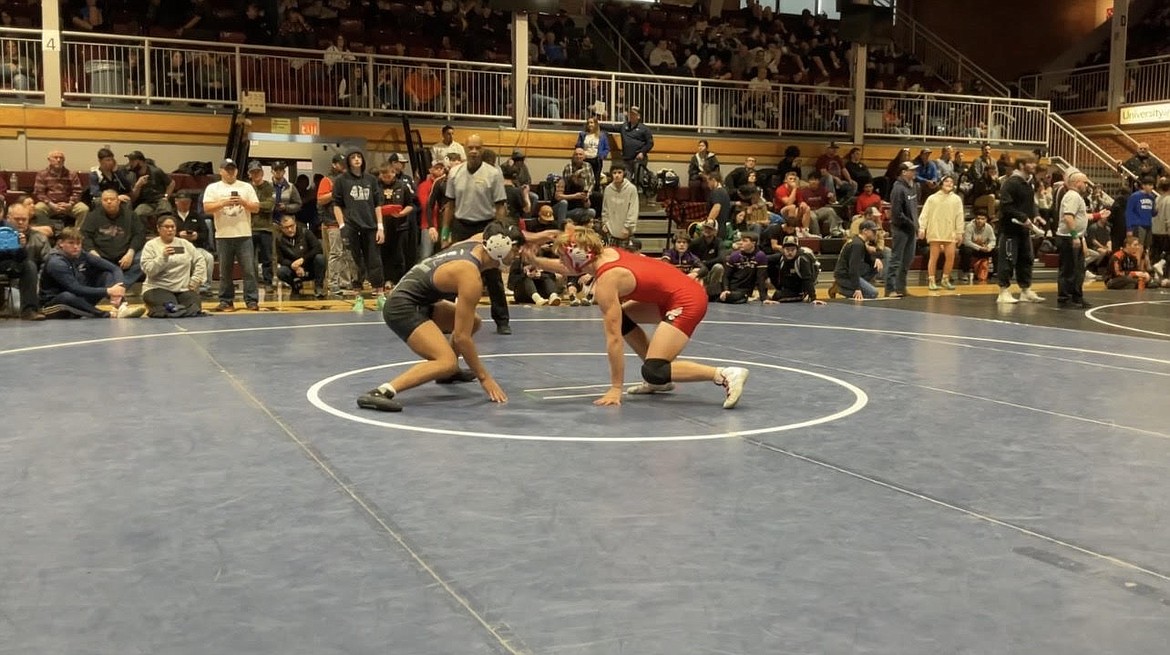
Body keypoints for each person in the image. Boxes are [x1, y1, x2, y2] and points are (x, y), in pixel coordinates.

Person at [528, 226, 750, 409]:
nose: (560, 263)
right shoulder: (604, 253)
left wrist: (616, 387)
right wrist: (536, 260)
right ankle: (659, 384)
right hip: (671, 294)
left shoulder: (607, 281)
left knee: (655, 369)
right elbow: (571, 266)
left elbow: (614, 339)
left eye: (561, 257)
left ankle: (724, 374)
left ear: (577, 256)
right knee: (624, 319)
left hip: (686, 300)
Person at [356, 222, 525, 412]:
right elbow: (461, 338)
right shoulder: (470, 277)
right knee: (447, 361)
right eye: (515, 250)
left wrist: (543, 237)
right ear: (500, 248)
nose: (517, 255)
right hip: (402, 307)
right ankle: (381, 391)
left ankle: (447, 374)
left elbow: (490, 231)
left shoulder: (476, 244)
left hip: (418, 299)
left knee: (474, 322)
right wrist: (485, 378)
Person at [441, 134, 510, 334]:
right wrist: (445, 232)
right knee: (453, 273)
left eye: (477, 148)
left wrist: (499, 232)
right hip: (461, 226)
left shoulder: (493, 173)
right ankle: (443, 316)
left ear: (482, 150)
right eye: (470, 147)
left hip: (486, 227)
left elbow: (500, 206)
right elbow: (450, 205)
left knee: (492, 275)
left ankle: (502, 320)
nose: (473, 151)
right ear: (465, 148)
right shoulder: (454, 173)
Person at [39, 227, 146, 319]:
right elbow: (74, 288)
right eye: (71, 243)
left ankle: (122, 306)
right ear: (61, 243)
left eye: (78, 243)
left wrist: (119, 288)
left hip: (79, 300)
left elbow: (114, 268)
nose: (76, 247)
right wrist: (108, 291)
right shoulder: (56, 262)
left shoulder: (81, 254)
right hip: (54, 305)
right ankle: (105, 314)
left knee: (105, 274)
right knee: (67, 296)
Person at [203, 158, 261, 311]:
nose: (230, 172)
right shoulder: (213, 188)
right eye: (227, 169)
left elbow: (256, 208)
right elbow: (207, 208)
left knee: (249, 270)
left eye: (232, 169)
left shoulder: (246, 187)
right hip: (223, 235)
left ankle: (252, 300)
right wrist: (223, 203)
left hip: (244, 234)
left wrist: (242, 202)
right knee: (225, 271)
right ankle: (226, 301)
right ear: (221, 171)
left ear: (236, 171)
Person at [996, 155, 1045, 304]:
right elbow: (1006, 206)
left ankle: (1025, 290)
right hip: (1010, 229)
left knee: (1026, 259)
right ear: (1021, 165)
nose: (1034, 166)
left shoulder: (1029, 183)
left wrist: (1035, 215)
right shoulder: (1011, 183)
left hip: (1024, 229)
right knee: (1008, 259)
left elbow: (1031, 204)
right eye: (1030, 163)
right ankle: (1003, 292)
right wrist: (1023, 217)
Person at [1055, 172, 1106, 309]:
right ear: (1077, 182)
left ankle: (1077, 297)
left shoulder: (1076, 197)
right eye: (1085, 182)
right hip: (1068, 238)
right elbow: (1068, 217)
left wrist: (1098, 215)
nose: (1086, 185)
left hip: (1075, 237)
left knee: (1078, 270)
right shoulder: (1072, 196)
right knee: (1069, 270)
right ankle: (1065, 298)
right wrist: (1074, 235)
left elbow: (1081, 216)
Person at [140, 215, 207, 317]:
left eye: (173, 227)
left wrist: (195, 279)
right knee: (170, 306)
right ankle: (170, 309)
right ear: (158, 229)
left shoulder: (184, 244)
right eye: (166, 227)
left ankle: (178, 309)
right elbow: (149, 270)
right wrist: (163, 257)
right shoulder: (150, 246)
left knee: (195, 306)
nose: (170, 230)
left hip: (183, 289)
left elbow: (200, 260)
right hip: (157, 288)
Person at [918, 175, 964, 290]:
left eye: (951, 182)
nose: (949, 183)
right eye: (947, 181)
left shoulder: (956, 199)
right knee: (934, 257)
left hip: (950, 231)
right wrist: (922, 228)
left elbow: (959, 216)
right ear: (941, 183)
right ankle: (931, 280)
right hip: (935, 229)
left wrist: (960, 232)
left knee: (950, 256)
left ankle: (945, 279)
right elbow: (925, 214)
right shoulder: (932, 198)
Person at [886, 161, 919, 298]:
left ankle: (901, 287)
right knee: (896, 259)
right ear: (904, 172)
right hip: (901, 229)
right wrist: (911, 224)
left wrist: (916, 224)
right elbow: (897, 213)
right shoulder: (898, 188)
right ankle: (890, 289)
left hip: (911, 228)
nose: (914, 172)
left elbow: (914, 208)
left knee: (907, 260)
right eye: (911, 170)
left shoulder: (914, 187)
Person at [275, 215, 326, 298]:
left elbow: (317, 248)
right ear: (282, 228)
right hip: (293, 269)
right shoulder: (279, 239)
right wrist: (293, 265)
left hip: (310, 267)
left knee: (320, 258)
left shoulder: (306, 232)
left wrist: (303, 259)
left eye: (291, 226)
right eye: (286, 228)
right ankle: (295, 286)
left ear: (295, 224)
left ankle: (318, 287)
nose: (290, 230)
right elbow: (280, 259)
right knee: (281, 271)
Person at [833, 220, 882, 300]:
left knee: (875, 266)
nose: (875, 233)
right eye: (873, 231)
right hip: (845, 276)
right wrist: (857, 288)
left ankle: (855, 287)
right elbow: (853, 268)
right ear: (865, 231)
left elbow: (868, 258)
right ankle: (840, 289)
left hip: (849, 274)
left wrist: (875, 260)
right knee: (873, 293)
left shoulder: (860, 242)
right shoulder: (857, 245)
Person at [770, 235, 821, 303]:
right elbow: (764, 259)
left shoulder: (802, 260)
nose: (790, 252)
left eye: (792, 250)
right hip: (787, 288)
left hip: (800, 291)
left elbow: (807, 279)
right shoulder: (781, 257)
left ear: (797, 249)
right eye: (787, 250)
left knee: (778, 295)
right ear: (783, 250)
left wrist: (813, 298)